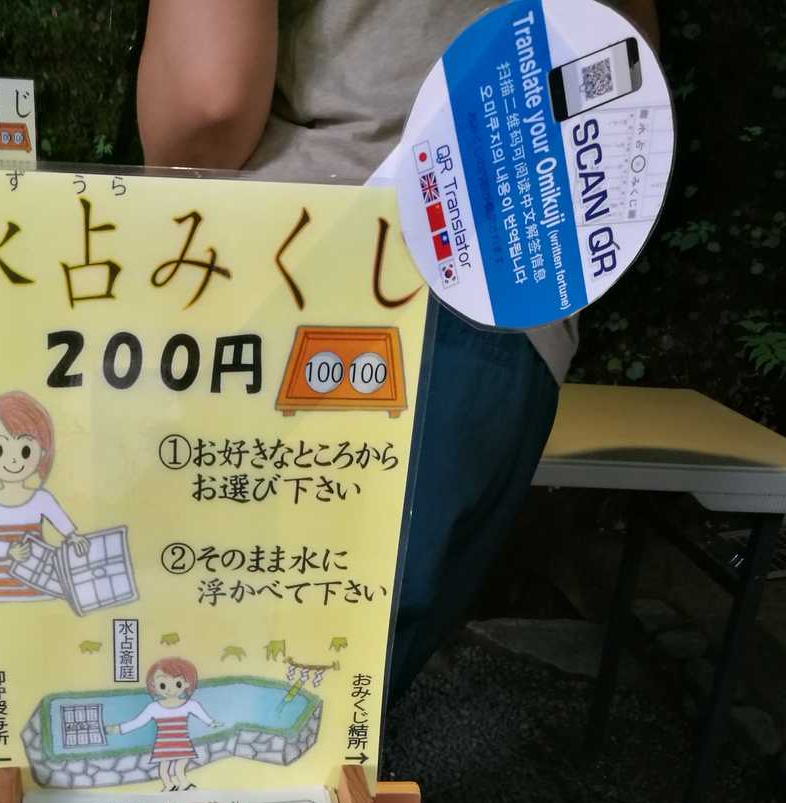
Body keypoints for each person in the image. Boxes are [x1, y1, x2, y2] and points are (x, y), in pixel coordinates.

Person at [136, 0, 659, 698]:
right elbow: (623, 63)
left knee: (216, 697)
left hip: (303, 262)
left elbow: (209, 101)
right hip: (513, 307)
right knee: (332, 713)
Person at [0, 390, 90, 604]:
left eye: (25, 450)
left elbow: (60, 520)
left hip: (40, 581)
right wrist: (8, 550)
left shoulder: (41, 499)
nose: (14, 460)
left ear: (42, 451)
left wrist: (74, 537)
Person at [108, 657, 220, 790]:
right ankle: (168, 785)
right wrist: (119, 729)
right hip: (164, 744)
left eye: (177, 684)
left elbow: (203, 715)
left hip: (182, 742)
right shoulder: (154, 707)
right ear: (154, 685)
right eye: (163, 685)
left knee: (181, 764)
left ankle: (184, 783)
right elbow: (138, 722)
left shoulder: (190, 705)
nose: (170, 690)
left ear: (187, 684)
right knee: (164, 767)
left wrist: (211, 722)